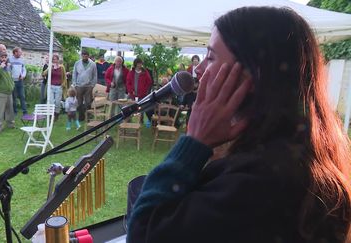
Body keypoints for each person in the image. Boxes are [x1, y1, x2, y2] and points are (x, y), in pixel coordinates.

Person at [128, 6, 351, 243]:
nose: (198, 70)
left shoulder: (259, 181)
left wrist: (194, 142)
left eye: (211, 57)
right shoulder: (296, 154)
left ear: (254, 74)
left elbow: (145, 234)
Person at [0, 51, 15, 133]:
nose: (4, 59)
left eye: (5, 57)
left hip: (9, 92)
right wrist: (0, 67)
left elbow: (10, 78)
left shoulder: (8, 66)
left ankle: (10, 124)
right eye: (2, 57)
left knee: (10, 111)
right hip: (1, 93)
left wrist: (12, 85)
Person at [72, 50, 97, 121]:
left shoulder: (92, 64)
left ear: (88, 56)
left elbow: (95, 75)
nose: (84, 57)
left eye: (86, 56)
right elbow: (74, 74)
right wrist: (75, 84)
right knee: (79, 102)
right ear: (81, 56)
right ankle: (81, 116)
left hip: (88, 86)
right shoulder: (77, 63)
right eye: (83, 56)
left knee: (88, 102)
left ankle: (88, 116)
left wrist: (92, 85)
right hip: (79, 86)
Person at [42, 54, 67, 121]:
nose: (54, 60)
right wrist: (49, 68)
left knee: (57, 102)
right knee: (51, 102)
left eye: (55, 59)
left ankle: (56, 115)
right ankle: (51, 115)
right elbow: (43, 74)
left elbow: (64, 77)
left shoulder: (62, 67)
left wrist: (63, 84)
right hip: (51, 86)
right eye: (53, 59)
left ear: (58, 60)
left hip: (59, 87)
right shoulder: (50, 67)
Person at [9, 47, 27, 115]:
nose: (21, 53)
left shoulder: (21, 60)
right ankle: (15, 112)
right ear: (15, 53)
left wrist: (23, 75)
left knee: (22, 96)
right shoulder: (10, 60)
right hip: (12, 81)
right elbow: (8, 70)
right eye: (20, 52)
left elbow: (24, 69)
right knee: (14, 97)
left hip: (20, 81)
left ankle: (25, 111)